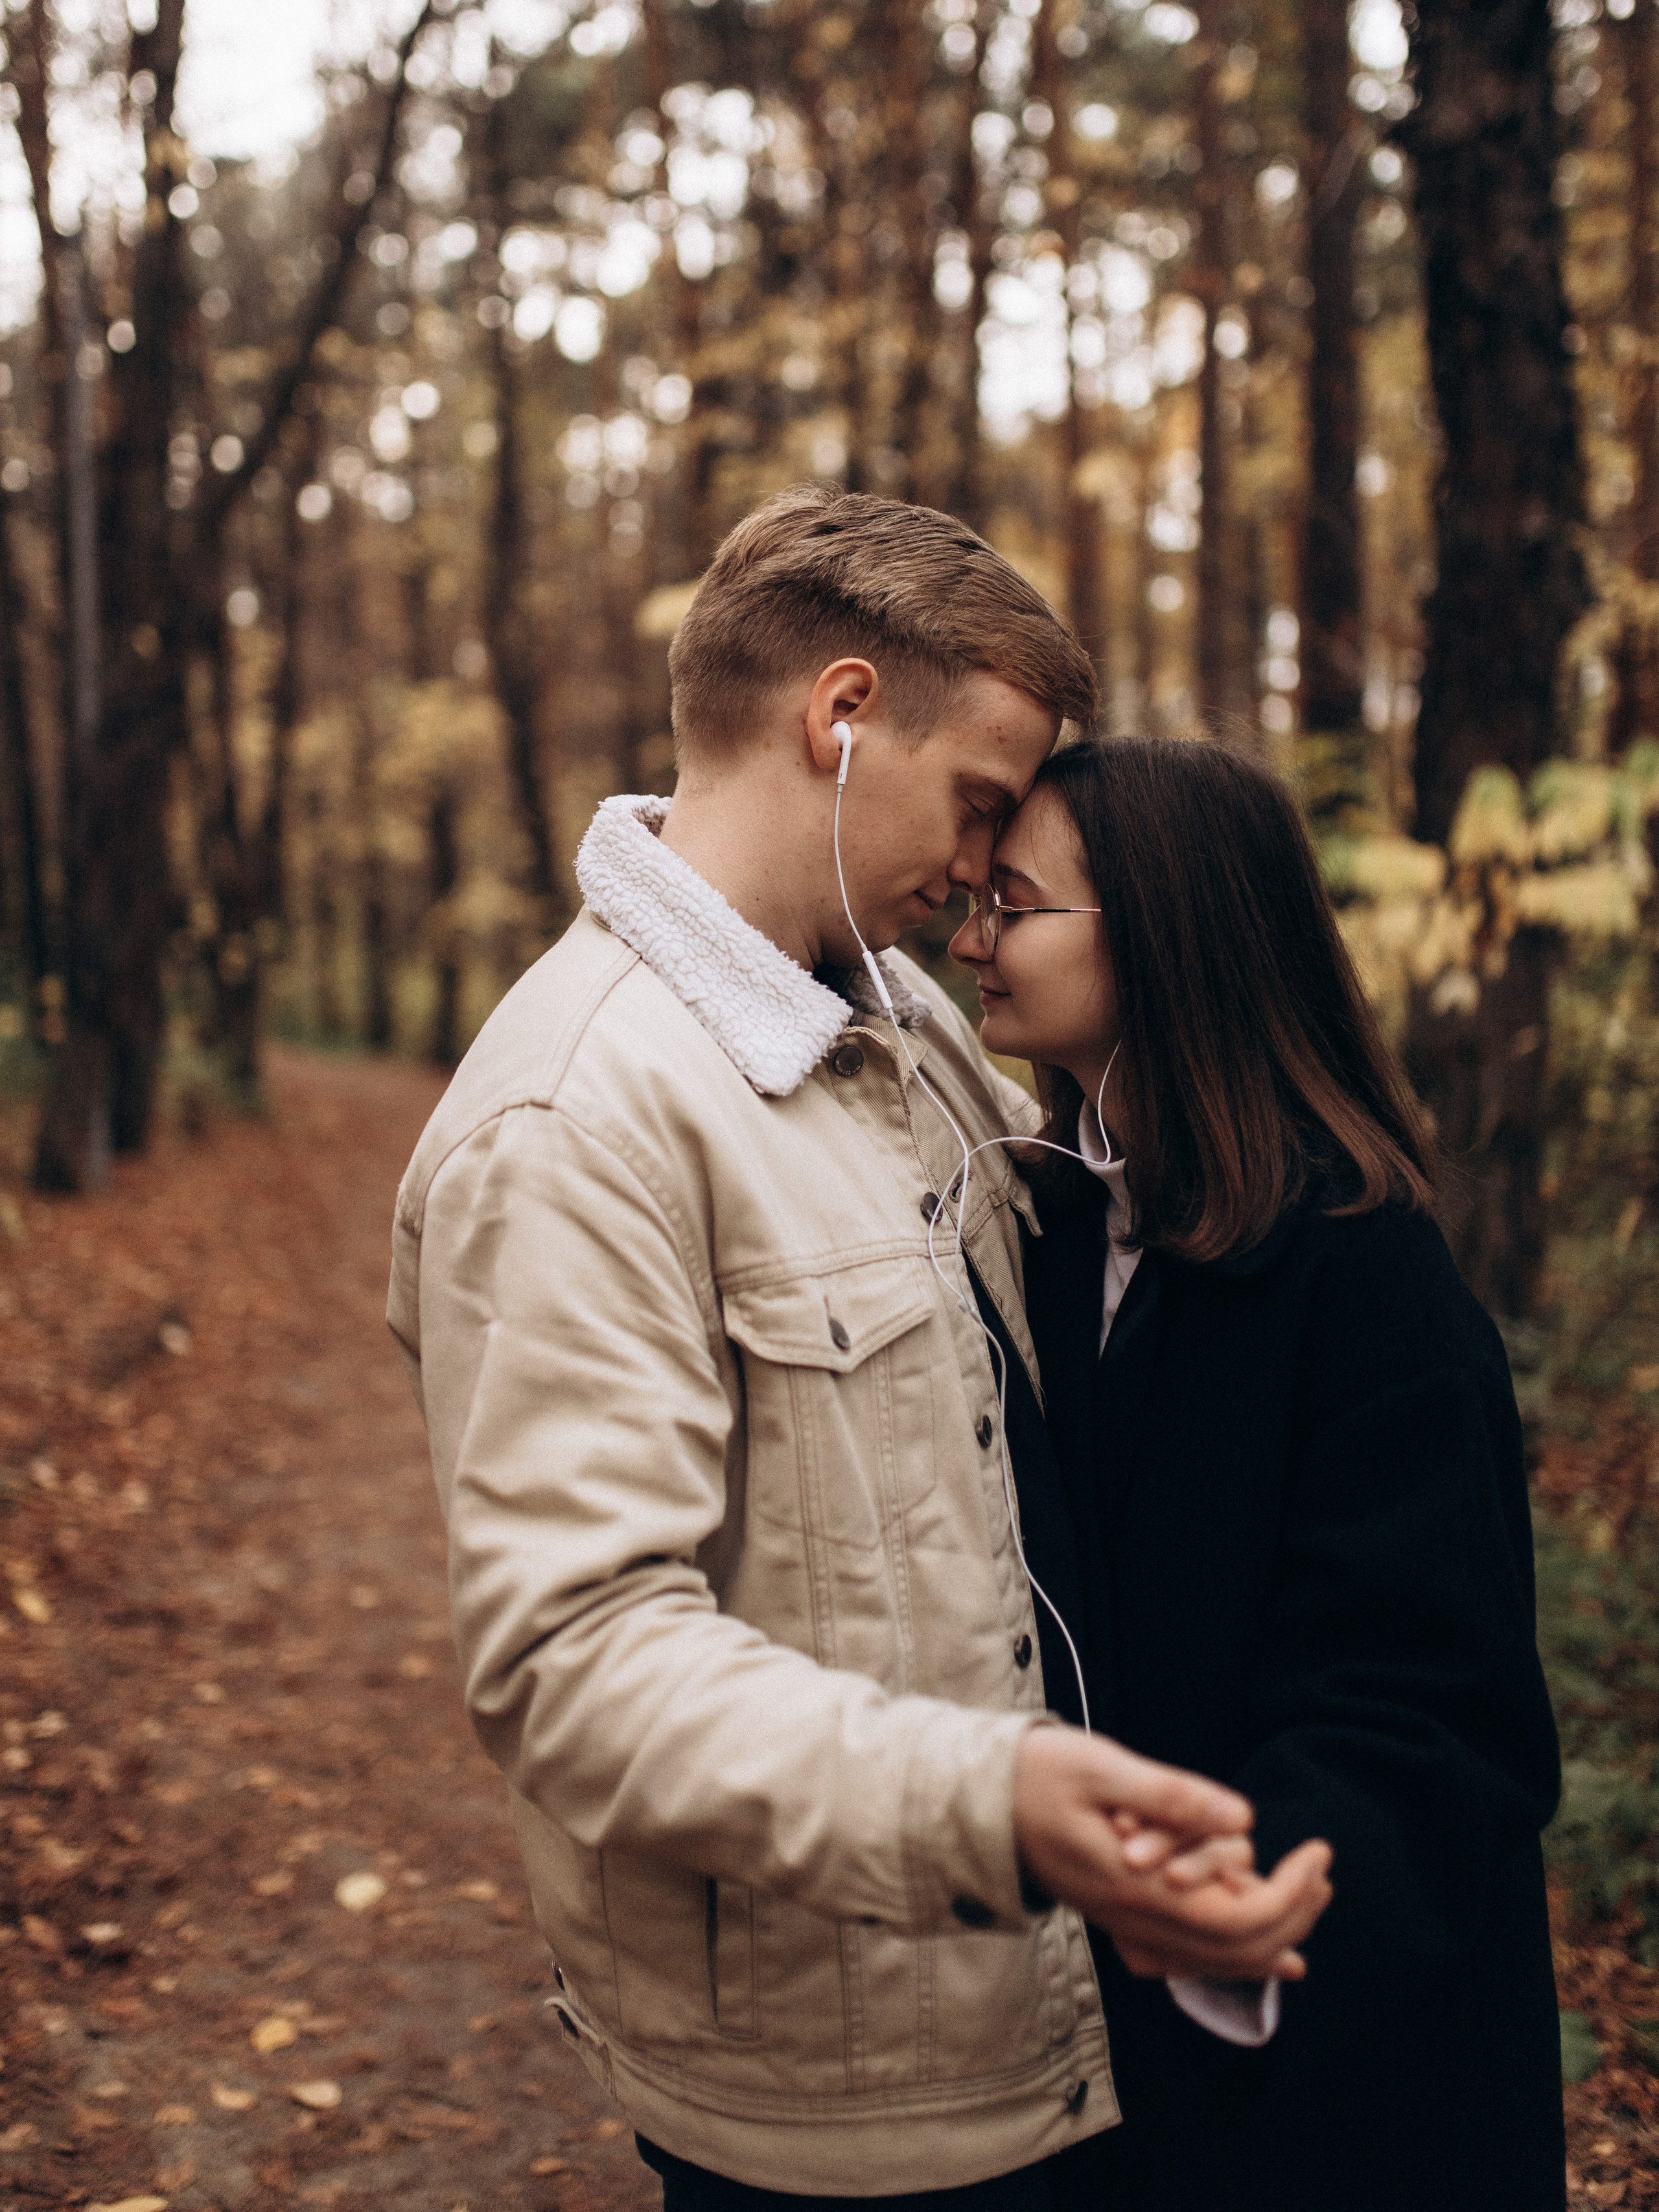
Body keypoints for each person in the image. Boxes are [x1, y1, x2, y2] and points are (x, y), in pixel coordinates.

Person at [386, 492, 1334, 2210]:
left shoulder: (905, 1038)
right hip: (839, 2101)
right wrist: (993, 1803)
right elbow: (574, 1659)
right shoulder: (575, 1120)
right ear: (840, 714)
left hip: (1061, 2026)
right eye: (976, 799)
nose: (981, 867)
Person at [948, 734, 1566, 2212]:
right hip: (1109, 2062)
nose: (969, 939)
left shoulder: (1370, 1281)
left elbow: (1431, 1703)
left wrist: (1249, 1881)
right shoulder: (1042, 1232)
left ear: (1164, 931)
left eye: (1012, 904)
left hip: (1342, 2073)